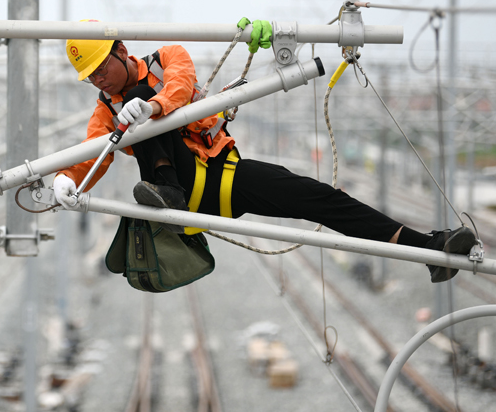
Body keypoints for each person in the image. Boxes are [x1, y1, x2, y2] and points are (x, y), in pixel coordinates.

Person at [52, 26, 478, 283]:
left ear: (122, 51)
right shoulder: (107, 111)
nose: (99, 82)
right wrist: (67, 178)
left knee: (320, 198)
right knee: (132, 107)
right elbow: (93, 153)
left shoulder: (167, 59)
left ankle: (430, 249)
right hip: (176, 192)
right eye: (89, 77)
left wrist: (153, 107)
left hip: (223, 176)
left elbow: (180, 85)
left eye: (101, 69)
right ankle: (164, 187)